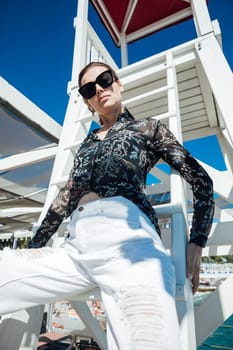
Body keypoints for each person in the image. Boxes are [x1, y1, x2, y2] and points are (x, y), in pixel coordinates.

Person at [0, 62, 214, 349]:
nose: (99, 88)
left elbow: (200, 180)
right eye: (89, 88)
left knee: (147, 338)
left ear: (118, 83)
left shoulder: (148, 128)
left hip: (130, 245)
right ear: (88, 101)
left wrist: (196, 241)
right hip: (74, 248)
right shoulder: (87, 143)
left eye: (104, 79)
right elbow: (65, 199)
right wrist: (36, 247)